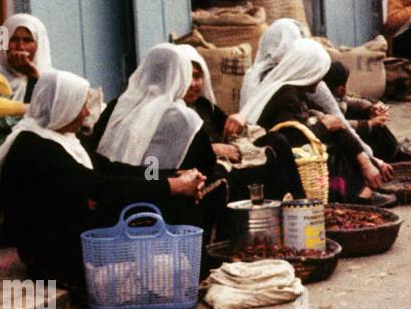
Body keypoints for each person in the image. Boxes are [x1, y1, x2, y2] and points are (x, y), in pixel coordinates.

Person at [0, 70, 204, 292]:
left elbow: (111, 169)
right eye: (81, 105)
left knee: (169, 201)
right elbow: (100, 186)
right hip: (52, 254)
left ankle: (190, 274)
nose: (86, 112)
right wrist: (171, 187)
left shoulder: (62, 137)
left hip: (74, 230)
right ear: (63, 107)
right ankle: (192, 277)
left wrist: (172, 175)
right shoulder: (35, 146)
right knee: (163, 204)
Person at [90, 44, 223, 234]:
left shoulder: (116, 107)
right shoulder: (185, 120)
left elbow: (96, 153)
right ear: (182, 76)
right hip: (165, 213)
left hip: (112, 201)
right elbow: (205, 165)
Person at [240, 39, 391, 205]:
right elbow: (292, 134)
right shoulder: (285, 96)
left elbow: (331, 119)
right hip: (282, 157)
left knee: (341, 132)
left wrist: (365, 159)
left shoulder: (297, 92)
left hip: (296, 146)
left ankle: (364, 189)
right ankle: (359, 195)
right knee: (333, 149)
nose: (320, 82)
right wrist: (323, 126)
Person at [178, 45, 305, 202]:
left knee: (277, 142)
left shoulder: (203, 105)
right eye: (186, 77)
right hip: (206, 166)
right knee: (224, 175)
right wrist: (212, 149)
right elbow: (170, 154)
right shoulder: (172, 114)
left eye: (197, 77)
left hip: (231, 157)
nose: (192, 84)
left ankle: (299, 207)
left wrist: (239, 120)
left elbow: (228, 125)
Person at [321, 61, 401, 162]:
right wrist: (369, 124)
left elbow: (349, 100)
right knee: (371, 126)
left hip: (343, 125)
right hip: (332, 136)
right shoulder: (318, 102)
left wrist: (370, 108)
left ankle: (394, 151)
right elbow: (341, 123)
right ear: (341, 89)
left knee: (367, 116)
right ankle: (385, 157)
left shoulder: (337, 96)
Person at [0, 13, 52, 102]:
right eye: (13, 40)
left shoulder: (52, 83)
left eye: (27, 40)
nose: (20, 47)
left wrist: (33, 76)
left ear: (39, 45)